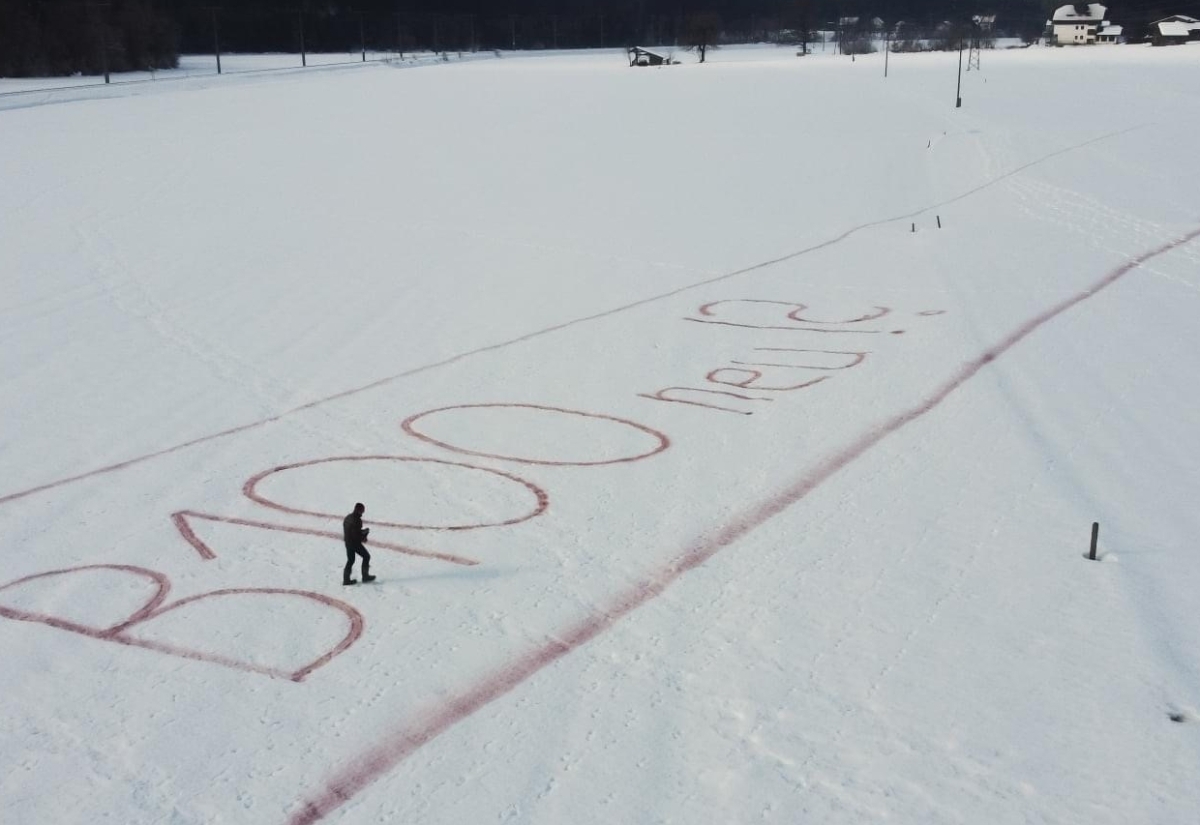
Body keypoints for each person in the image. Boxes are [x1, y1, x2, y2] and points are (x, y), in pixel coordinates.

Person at [342, 502, 375, 585]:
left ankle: (346, 580)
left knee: (350, 560)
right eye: (362, 511)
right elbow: (356, 535)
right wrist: (364, 536)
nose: (363, 513)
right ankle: (365, 576)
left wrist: (362, 532)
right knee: (366, 556)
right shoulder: (357, 520)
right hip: (354, 543)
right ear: (359, 510)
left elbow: (353, 531)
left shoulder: (347, 517)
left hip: (347, 542)